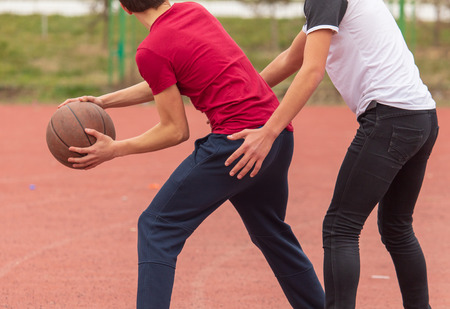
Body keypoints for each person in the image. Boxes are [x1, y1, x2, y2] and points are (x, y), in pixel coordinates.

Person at [60, 0, 325, 308]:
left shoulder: (151, 50)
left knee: (157, 227)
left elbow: (174, 131)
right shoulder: (194, 11)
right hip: (275, 137)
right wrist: (103, 102)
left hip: (236, 144)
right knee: (272, 234)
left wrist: (114, 149)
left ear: (125, 8)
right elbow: (166, 77)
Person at [225, 0, 439, 308]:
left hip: (391, 119)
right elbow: (291, 59)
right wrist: (237, 99)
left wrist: (268, 132)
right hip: (421, 117)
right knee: (397, 227)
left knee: (341, 227)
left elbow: (312, 72)